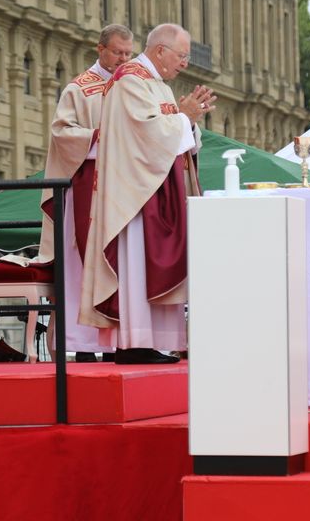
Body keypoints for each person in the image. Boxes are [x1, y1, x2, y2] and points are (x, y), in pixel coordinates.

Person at [81, 23, 215, 365]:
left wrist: (190, 122)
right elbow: (148, 135)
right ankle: (134, 343)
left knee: (150, 267)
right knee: (137, 266)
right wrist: (183, 119)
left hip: (156, 190)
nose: (184, 63)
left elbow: (172, 133)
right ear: (160, 51)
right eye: (181, 56)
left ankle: (153, 341)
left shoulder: (158, 86)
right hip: (135, 198)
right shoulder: (131, 80)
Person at [33, 24, 134, 363]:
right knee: (82, 269)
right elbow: (62, 133)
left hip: (123, 191)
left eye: (128, 53)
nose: (123, 58)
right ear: (100, 49)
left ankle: (117, 342)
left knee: (122, 264)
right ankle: (83, 345)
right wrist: (99, 139)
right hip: (85, 190)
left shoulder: (132, 88)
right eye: (117, 52)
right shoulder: (79, 89)